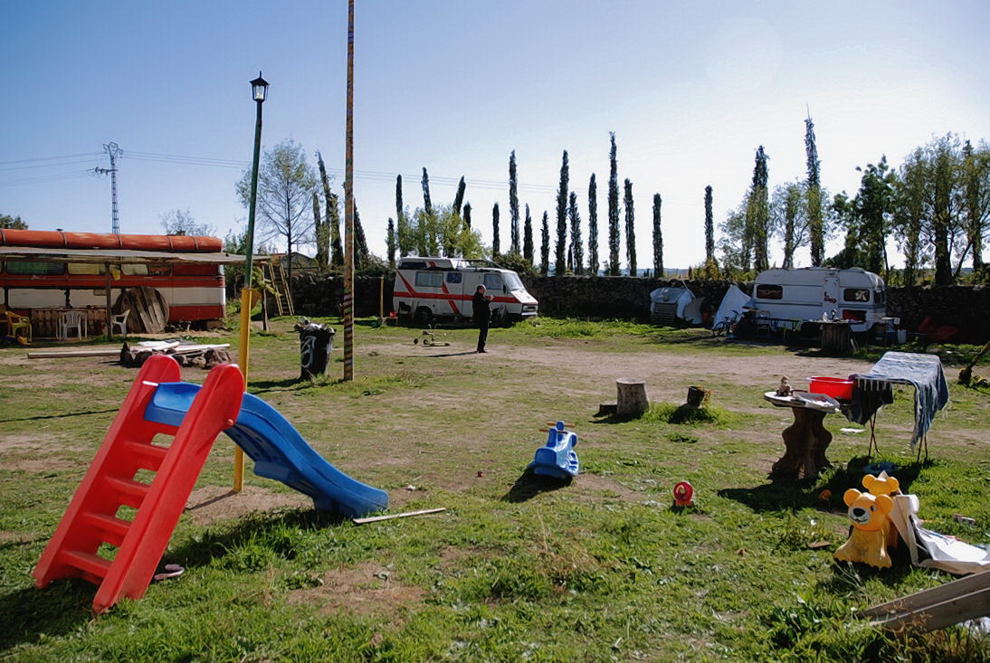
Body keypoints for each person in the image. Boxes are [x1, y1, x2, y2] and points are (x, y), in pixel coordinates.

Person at [472, 284, 492, 353]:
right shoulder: (477, 297)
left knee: (484, 332)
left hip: (485, 317)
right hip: (481, 317)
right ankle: (480, 348)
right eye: (483, 289)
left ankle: (481, 347)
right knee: (483, 332)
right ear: (479, 290)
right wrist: (489, 300)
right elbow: (482, 305)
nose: (485, 291)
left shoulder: (481, 296)